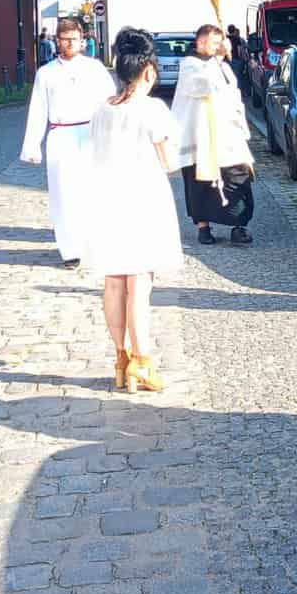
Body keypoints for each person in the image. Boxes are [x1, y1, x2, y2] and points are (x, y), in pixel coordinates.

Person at [86, 27, 182, 393]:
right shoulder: (152, 109)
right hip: (142, 198)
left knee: (114, 282)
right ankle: (142, 361)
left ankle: (121, 358)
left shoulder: (102, 109)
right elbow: (170, 162)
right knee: (139, 283)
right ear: (149, 71)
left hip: (106, 198)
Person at [20, 18, 119, 268]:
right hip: (61, 135)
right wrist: (33, 145)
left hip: (91, 133)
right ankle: (70, 249)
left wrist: (114, 134)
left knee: (92, 190)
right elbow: (38, 110)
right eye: (65, 39)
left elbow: (110, 103)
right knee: (63, 193)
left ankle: (94, 244)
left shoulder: (95, 69)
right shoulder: (46, 73)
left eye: (74, 39)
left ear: (82, 40)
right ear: (58, 41)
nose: (70, 43)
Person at [170, 24, 256, 245]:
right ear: (200, 42)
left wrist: (241, 123)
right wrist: (218, 59)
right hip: (200, 135)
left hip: (228, 136)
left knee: (238, 177)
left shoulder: (223, 66)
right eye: (214, 43)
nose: (219, 47)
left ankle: (239, 225)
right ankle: (203, 227)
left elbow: (234, 93)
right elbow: (201, 87)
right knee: (200, 184)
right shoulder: (189, 65)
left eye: (220, 43)